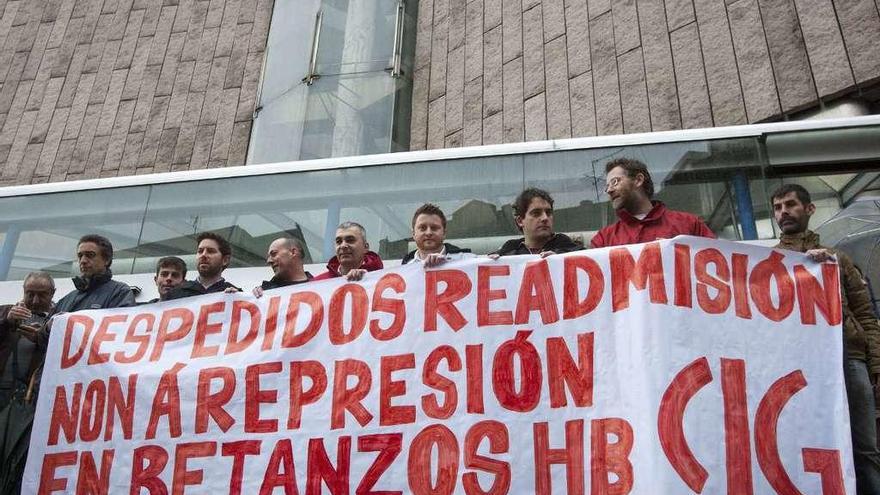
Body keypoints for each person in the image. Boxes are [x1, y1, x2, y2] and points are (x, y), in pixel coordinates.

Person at [771, 183, 880, 494]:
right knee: (812, 443)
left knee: (865, 447)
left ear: (809, 209)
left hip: (850, 358)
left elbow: (865, 315)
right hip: (800, 364)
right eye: (778, 208)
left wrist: (876, 365)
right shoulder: (768, 263)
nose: (784, 213)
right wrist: (797, 261)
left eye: (790, 205)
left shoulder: (838, 259)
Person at [590, 157, 715, 248]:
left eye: (615, 181)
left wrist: (679, 255)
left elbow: (717, 263)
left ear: (638, 180)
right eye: (607, 186)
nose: (609, 190)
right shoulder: (603, 239)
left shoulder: (690, 224)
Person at [0, 272, 55, 409]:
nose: (35, 300)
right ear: (23, 291)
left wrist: (44, 335)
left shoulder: (58, 320)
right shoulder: (5, 311)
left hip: (33, 397)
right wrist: (6, 321)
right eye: (30, 294)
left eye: (42, 295)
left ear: (52, 293)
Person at [55, 234, 136, 313]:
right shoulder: (66, 300)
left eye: (90, 255)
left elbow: (122, 323)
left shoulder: (119, 293)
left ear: (106, 260)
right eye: (80, 256)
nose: (83, 261)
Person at [492, 188, 581, 257]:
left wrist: (561, 261)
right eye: (536, 213)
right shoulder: (509, 249)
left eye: (548, 213)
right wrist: (492, 263)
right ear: (520, 221)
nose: (545, 218)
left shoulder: (567, 247)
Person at [166, 232, 240, 300]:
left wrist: (236, 301)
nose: (203, 255)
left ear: (225, 260)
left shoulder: (235, 294)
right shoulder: (175, 294)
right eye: (200, 251)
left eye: (210, 251)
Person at [401, 204, 472, 267]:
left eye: (434, 228)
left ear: (444, 233)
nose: (428, 233)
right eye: (423, 228)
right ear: (413, 234)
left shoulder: (467, 261)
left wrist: (447, 264)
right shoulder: (404, 268)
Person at [314, 222, 384, 281]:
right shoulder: (318, 283)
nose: (343, 245)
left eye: (350, 240)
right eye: (339, 241)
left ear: (365, 247)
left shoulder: (381, 278)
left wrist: (367, 278)